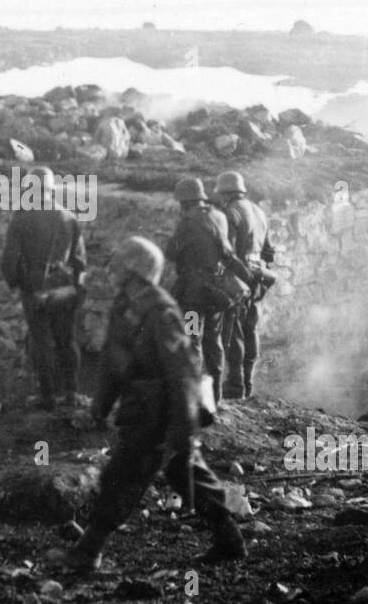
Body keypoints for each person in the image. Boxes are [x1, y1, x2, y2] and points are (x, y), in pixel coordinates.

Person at [48, 236, 246, 573]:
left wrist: (181, 430)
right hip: (143, 409)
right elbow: (113, 363)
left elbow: (182, 374)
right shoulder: (126, 304)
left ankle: (88, 551)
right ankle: (229, 540)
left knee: (122, 476)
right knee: (188, 477)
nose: (112, 271)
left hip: (157, 415)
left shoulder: (160, 310)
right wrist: (100, 407)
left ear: (135, 270)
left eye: (119, 266)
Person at [0, 166, 87, 410]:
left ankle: (47, 396)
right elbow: (80, 261)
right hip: (64, 287)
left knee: (41, 341)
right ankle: (71, 393)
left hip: (35, 287)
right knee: (66, 339)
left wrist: (18, 283)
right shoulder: (69, 217)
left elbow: (10, 259)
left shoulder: (22, 217)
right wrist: (77, 288)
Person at [164, 177, 250, 405]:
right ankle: (217, 397)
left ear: (184, 201)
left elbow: (171, 253)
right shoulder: (220, 216)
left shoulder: (186, 223)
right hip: (214, 294)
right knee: (214, 341)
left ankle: (195, 398)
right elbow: (227, 253)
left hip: (192, 297)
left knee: (192, 338)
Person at [214, 171, 276, 400]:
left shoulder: (229, 212)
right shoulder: (259, 212)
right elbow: (269, 250)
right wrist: (256, 273)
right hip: (258, 276)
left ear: (224, 193)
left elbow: (227, 252)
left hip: (239, 279)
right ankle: (247, 384)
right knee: (250, 328)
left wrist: (237, 277)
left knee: (234, 331)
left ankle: (235, 386)